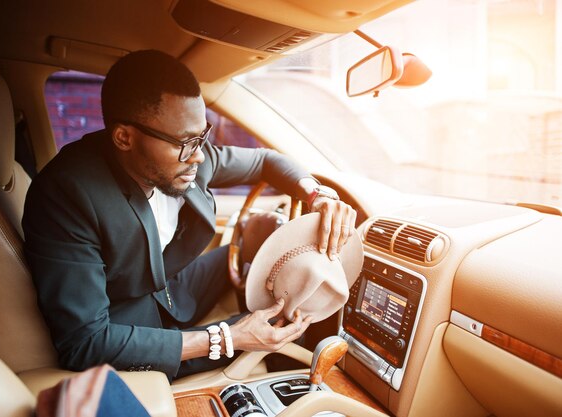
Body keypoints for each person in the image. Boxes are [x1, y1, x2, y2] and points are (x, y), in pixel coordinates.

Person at [22, 50, 357, 380]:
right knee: (286, 325)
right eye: (185, 142)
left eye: (202, 136)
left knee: (269, 263)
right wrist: (227, 337)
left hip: (169, 288)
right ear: (124, 137)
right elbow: (85, 342)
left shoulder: (190, 155)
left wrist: (318, 195)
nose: (198, 156)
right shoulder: (66, 195)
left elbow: (265, 162)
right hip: (130, 326)